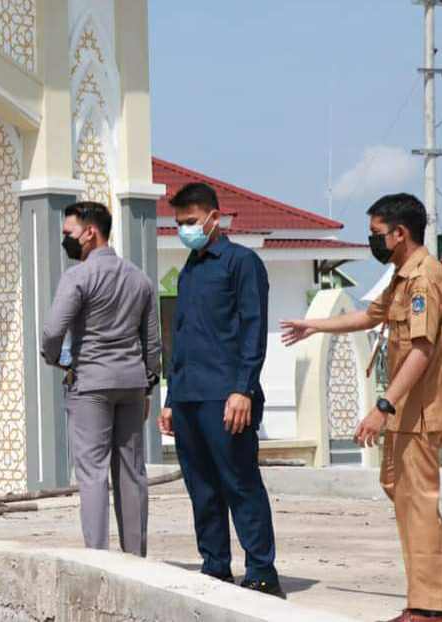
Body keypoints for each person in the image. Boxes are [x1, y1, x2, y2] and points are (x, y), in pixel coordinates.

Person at [281, 193, 442, 622]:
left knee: (416, 501)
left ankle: (429, 609)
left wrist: (382, 406)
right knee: (401, 492)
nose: (373, 242)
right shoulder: (401, 276)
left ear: (400, 233)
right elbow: (368, 317)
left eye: (377, 234)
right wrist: (313, 325)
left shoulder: (424, 279)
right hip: (406, 411)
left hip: (420, 410)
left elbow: (421, 350)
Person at [157, 182, 283, 597]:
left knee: (239, 481)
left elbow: (252, 328)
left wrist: (243, 389)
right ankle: (215, 564)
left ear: (214, 216)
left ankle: (262, 569)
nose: (185, 229)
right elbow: (181, 338)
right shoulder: (191, 268)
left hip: (227, 395)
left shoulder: (240, 263)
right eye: (180, 223)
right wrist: (171, 399)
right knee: (201, 487)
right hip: (190, 394)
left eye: (191, 221)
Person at [40, 201, 160, 556]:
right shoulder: (139, 277)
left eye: (68, 233)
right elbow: (152, 344)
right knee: (132, 470)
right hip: (132, 383)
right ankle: (136, 557)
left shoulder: (78, 276)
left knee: (92, 472)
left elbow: (52, 330)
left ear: (90, 232)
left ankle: (98, 555)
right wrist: (148, 384)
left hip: (90, 383)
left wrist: (55, 358)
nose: (66, 240)